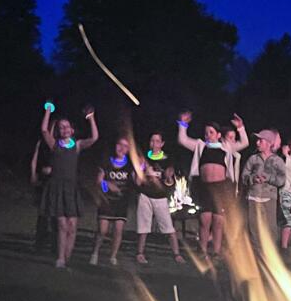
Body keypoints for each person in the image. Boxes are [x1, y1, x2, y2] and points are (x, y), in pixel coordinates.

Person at [177, 111, 249, 259]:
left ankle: (216, 251)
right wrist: (183, 124)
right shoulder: (200, 145)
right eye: (206, 132)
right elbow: (182, 140)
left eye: (211, 132)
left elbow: (244, 143)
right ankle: (202, 250)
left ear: (218, 135)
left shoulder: (226, 147)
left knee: (218, 221)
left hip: (221, 188)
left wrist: (240, 127)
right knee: (205, 220)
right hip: (205, 188)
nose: (208, 135)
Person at [39, 103, 99, 269]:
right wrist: (48, 111)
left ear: (72, 130)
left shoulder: (77, 145)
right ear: (58, 131)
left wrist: (91, 118)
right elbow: (44, 130)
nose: (64, 129)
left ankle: (67, 257)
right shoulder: (55, 145)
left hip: (71, 189)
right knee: (62, 225)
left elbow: (94, 138)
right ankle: (60, 258)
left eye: (67, 126)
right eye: (61, 127)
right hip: (57, 188)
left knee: (72, 226)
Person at [135, 131, 185, 264]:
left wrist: (168, 177)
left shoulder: (167, 159)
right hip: (145, 196)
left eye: (157, 141)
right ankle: (140, 253)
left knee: (168, 227)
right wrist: (141, 171)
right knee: (143, 227)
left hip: (160, 197)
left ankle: (177, 254)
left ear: (162, 144)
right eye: (152, 141)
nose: (154, 144)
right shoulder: (144, 158)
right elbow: (137, 182)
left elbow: (170, 183)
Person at [89, 136, 135, 266]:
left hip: (121, 202)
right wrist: (107, 185)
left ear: (128, 149)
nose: (122, 148)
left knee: (118, 230)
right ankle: (95, 253)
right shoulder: (106, 162)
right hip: (106, 201)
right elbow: (99, 182)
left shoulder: (130, 165)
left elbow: (136, 182)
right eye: (120, 144)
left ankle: (113, 256)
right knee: (102, 230)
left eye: (125, 146)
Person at [241, 129, 286, 249]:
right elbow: (244, 176)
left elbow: (282, 180)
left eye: (261, 140)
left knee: (271, 229)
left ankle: (271, 253)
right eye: (257, 140)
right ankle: (256, 254)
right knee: (254, 228)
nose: (257, 143)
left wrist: (268, 178)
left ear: (269, 143)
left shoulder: (277, 161)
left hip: (269, 198)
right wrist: (253, 179)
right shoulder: (253, 159)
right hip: (253, 197)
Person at [30, 122, 56, 253]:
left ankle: (55, 244)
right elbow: (34, 159)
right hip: (43, 180)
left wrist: (54, 170)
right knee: (42, 212)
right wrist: (33, 173)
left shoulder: (60, 144)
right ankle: (39, 242)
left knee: (55, 213)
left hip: (55, 180)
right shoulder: (42, 143)